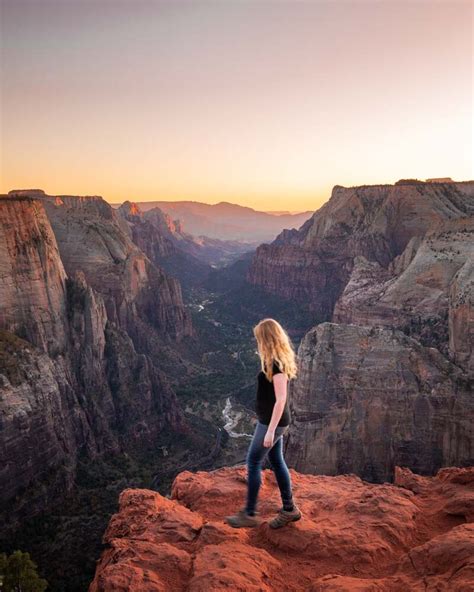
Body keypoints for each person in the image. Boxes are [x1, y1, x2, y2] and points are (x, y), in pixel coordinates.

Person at [225, 318, 302, 529]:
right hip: (271, 422)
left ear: (266, 339)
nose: (256, 342)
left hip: (272, 423)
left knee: (253, 462)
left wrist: (270, 432)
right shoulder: (274, 360)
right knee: (277, 461)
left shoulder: (276, 364)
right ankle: (289, 508)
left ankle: (249, 513)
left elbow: (281, 399)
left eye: (259, 338)